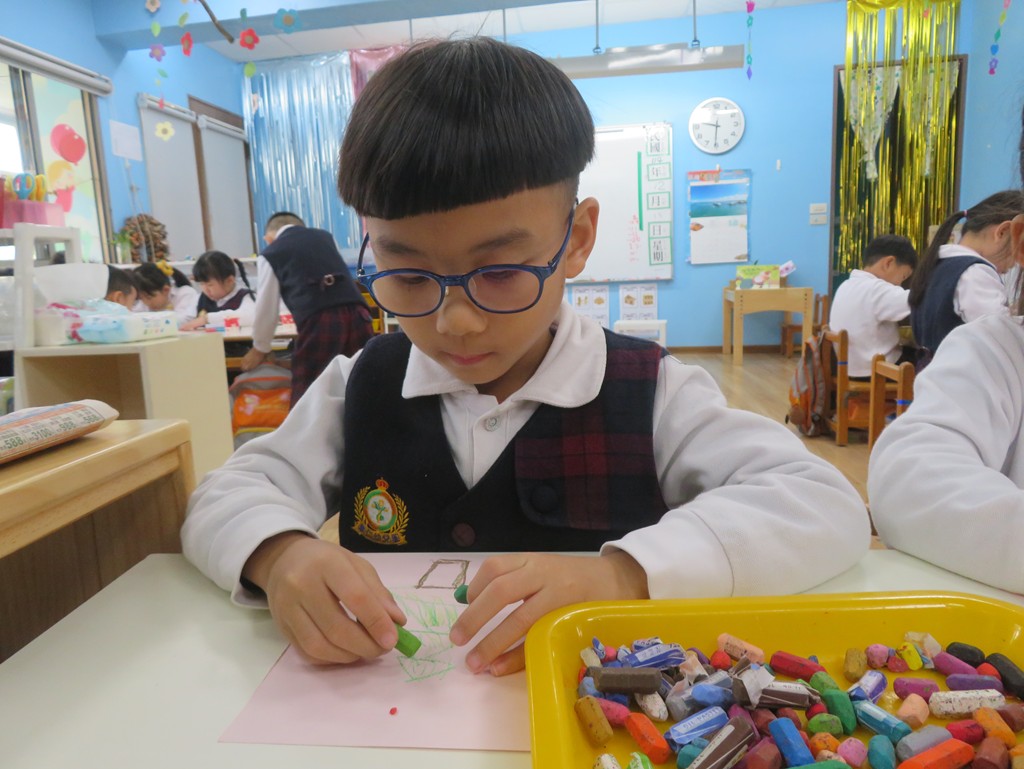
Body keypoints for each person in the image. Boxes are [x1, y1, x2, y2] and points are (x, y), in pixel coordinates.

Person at [182, 37, 869, 677]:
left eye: (502, 271)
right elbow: (226, 492)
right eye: (409, 275)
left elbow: (821, 502)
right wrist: (278, 554)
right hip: (390, 721)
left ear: (577, 239)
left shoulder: (653, 390)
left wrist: (624, 574)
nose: (455, 320)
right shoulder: (357, 385)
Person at [868, 108, 1024, 593]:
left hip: (924, 365)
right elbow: (987, 322)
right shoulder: (982, 294)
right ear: (1009, 236)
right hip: (946, 373)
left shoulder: (937, 262)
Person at [239, 212, 374, 404]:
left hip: (320, 320)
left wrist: (260, 348)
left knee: (310, 396)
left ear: (268, 238)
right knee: (361, 384)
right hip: (359, 313)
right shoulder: (325, 238)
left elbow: (266, 307)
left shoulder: (271, 253)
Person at [908, 190, 1024, 366]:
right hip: (958, 375)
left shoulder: (939, 261)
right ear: (1002, 232)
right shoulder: (976, 273)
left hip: (930, 370)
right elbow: (1002, 336)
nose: (1016, 264)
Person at [829, 235, 918, 379]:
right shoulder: (877, 289)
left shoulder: (846, 285)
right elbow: (917, 299)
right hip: (874, 372)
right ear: (888, 263)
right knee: (929, 360)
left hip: (848, 368)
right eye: (903, 276)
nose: (900, 284)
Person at [181, 250, 256, 331]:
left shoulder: (246, 297)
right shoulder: (199, 299)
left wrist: (207, 319)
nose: (205, 290)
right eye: (202, 284)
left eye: (210, 285)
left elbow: (250, 316)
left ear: (229, 281)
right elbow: (186, 320)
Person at [133, 260, 200, 326]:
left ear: (165, 290)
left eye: (149, 297)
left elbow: (185, 320)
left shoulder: (185, 293)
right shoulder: (145, 300)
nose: (146, 303)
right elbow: (134, 317)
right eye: (141, 298)